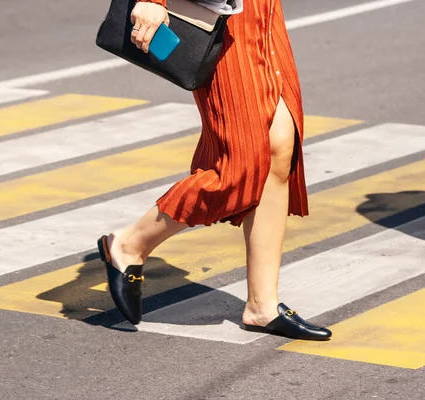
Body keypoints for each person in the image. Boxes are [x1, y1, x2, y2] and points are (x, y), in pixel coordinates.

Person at [97, 0, 332, 340]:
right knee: (238, 168)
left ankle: (262, 305)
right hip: (221, 14)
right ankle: (130, 244)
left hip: (262, 10)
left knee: (280, 149)